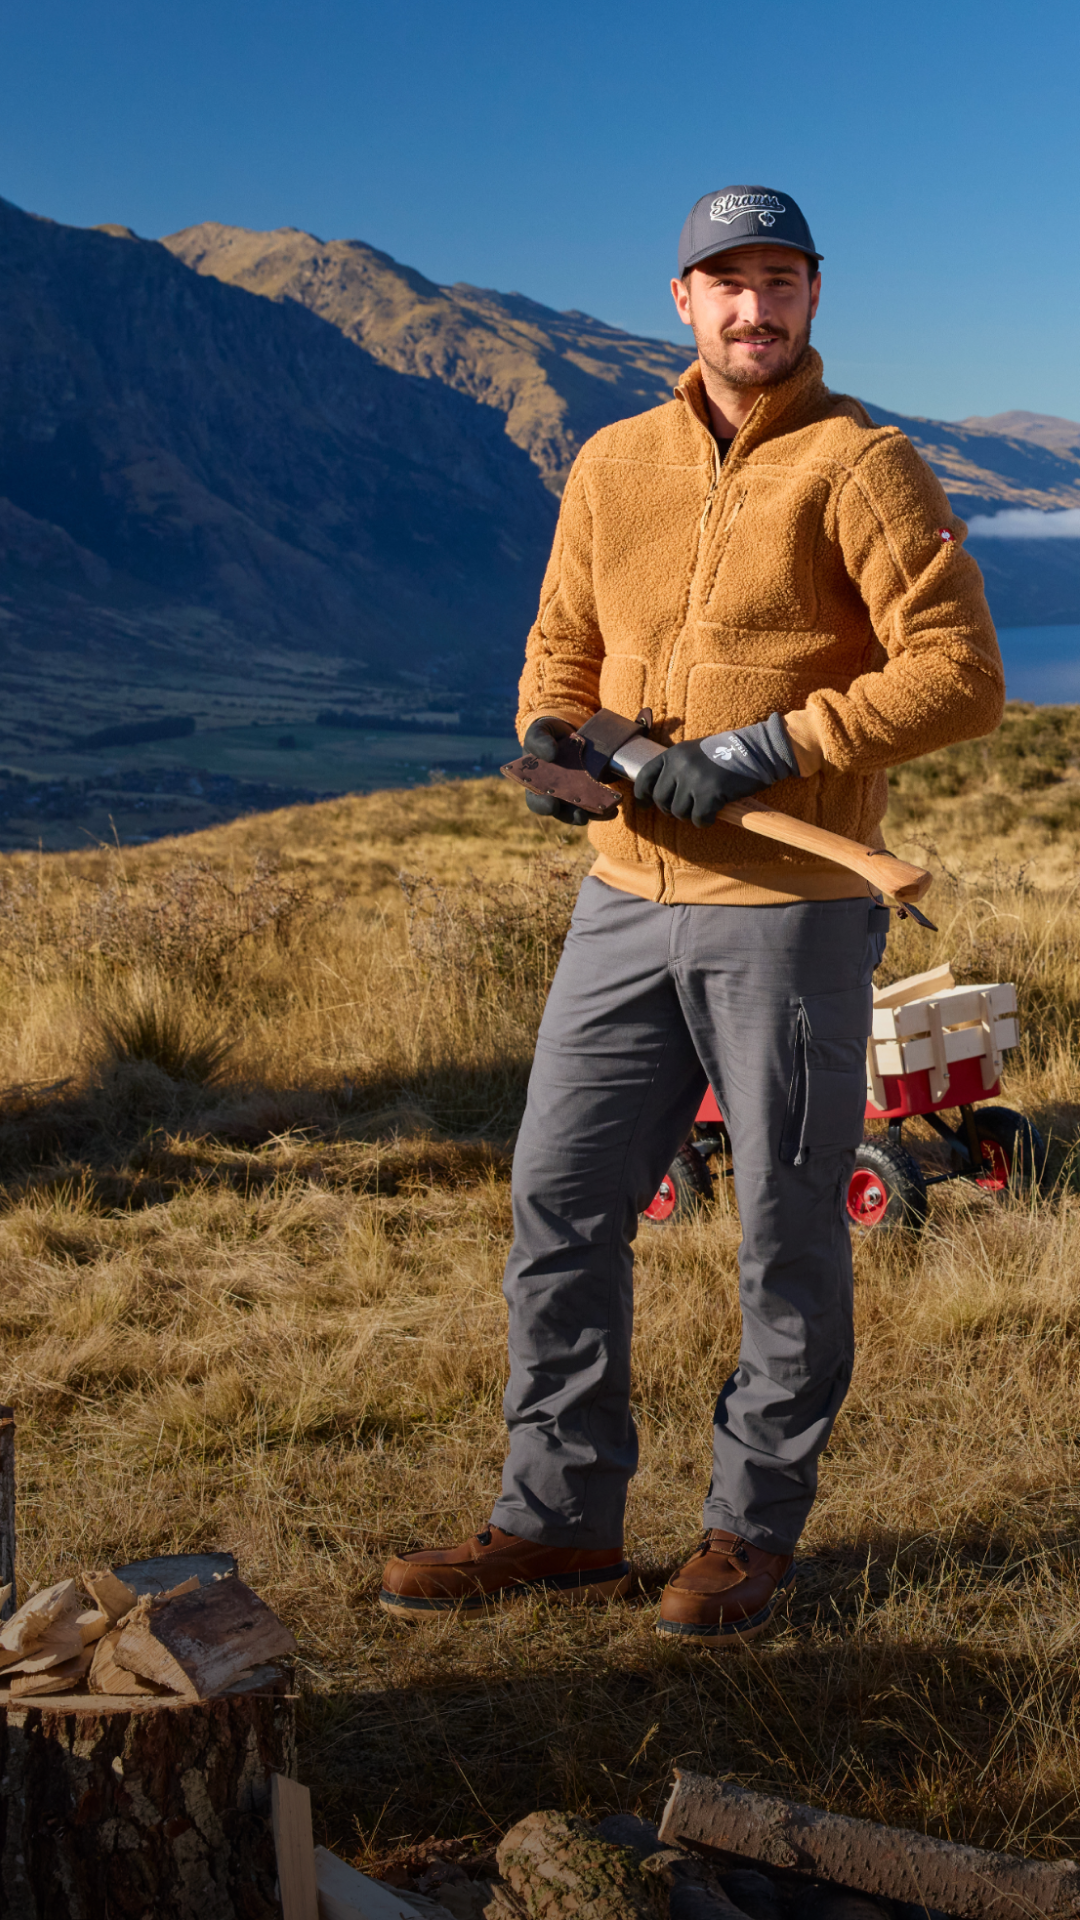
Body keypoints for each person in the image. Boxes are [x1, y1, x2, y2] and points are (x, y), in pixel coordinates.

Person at [380, 185, 1004, 1643]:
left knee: (786, 1226)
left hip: (786, 911)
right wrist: (555, 741)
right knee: (558, 1200)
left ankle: (748, 1530)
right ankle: (558, 1520)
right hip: (623, 902)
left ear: (814, 296)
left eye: (779, 279)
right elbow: (561, 641)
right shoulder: (612, 461)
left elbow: (959, 675)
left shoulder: (863, 464)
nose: (753, 308)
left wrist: (764, 751)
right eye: (727, 282)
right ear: (681, 299)